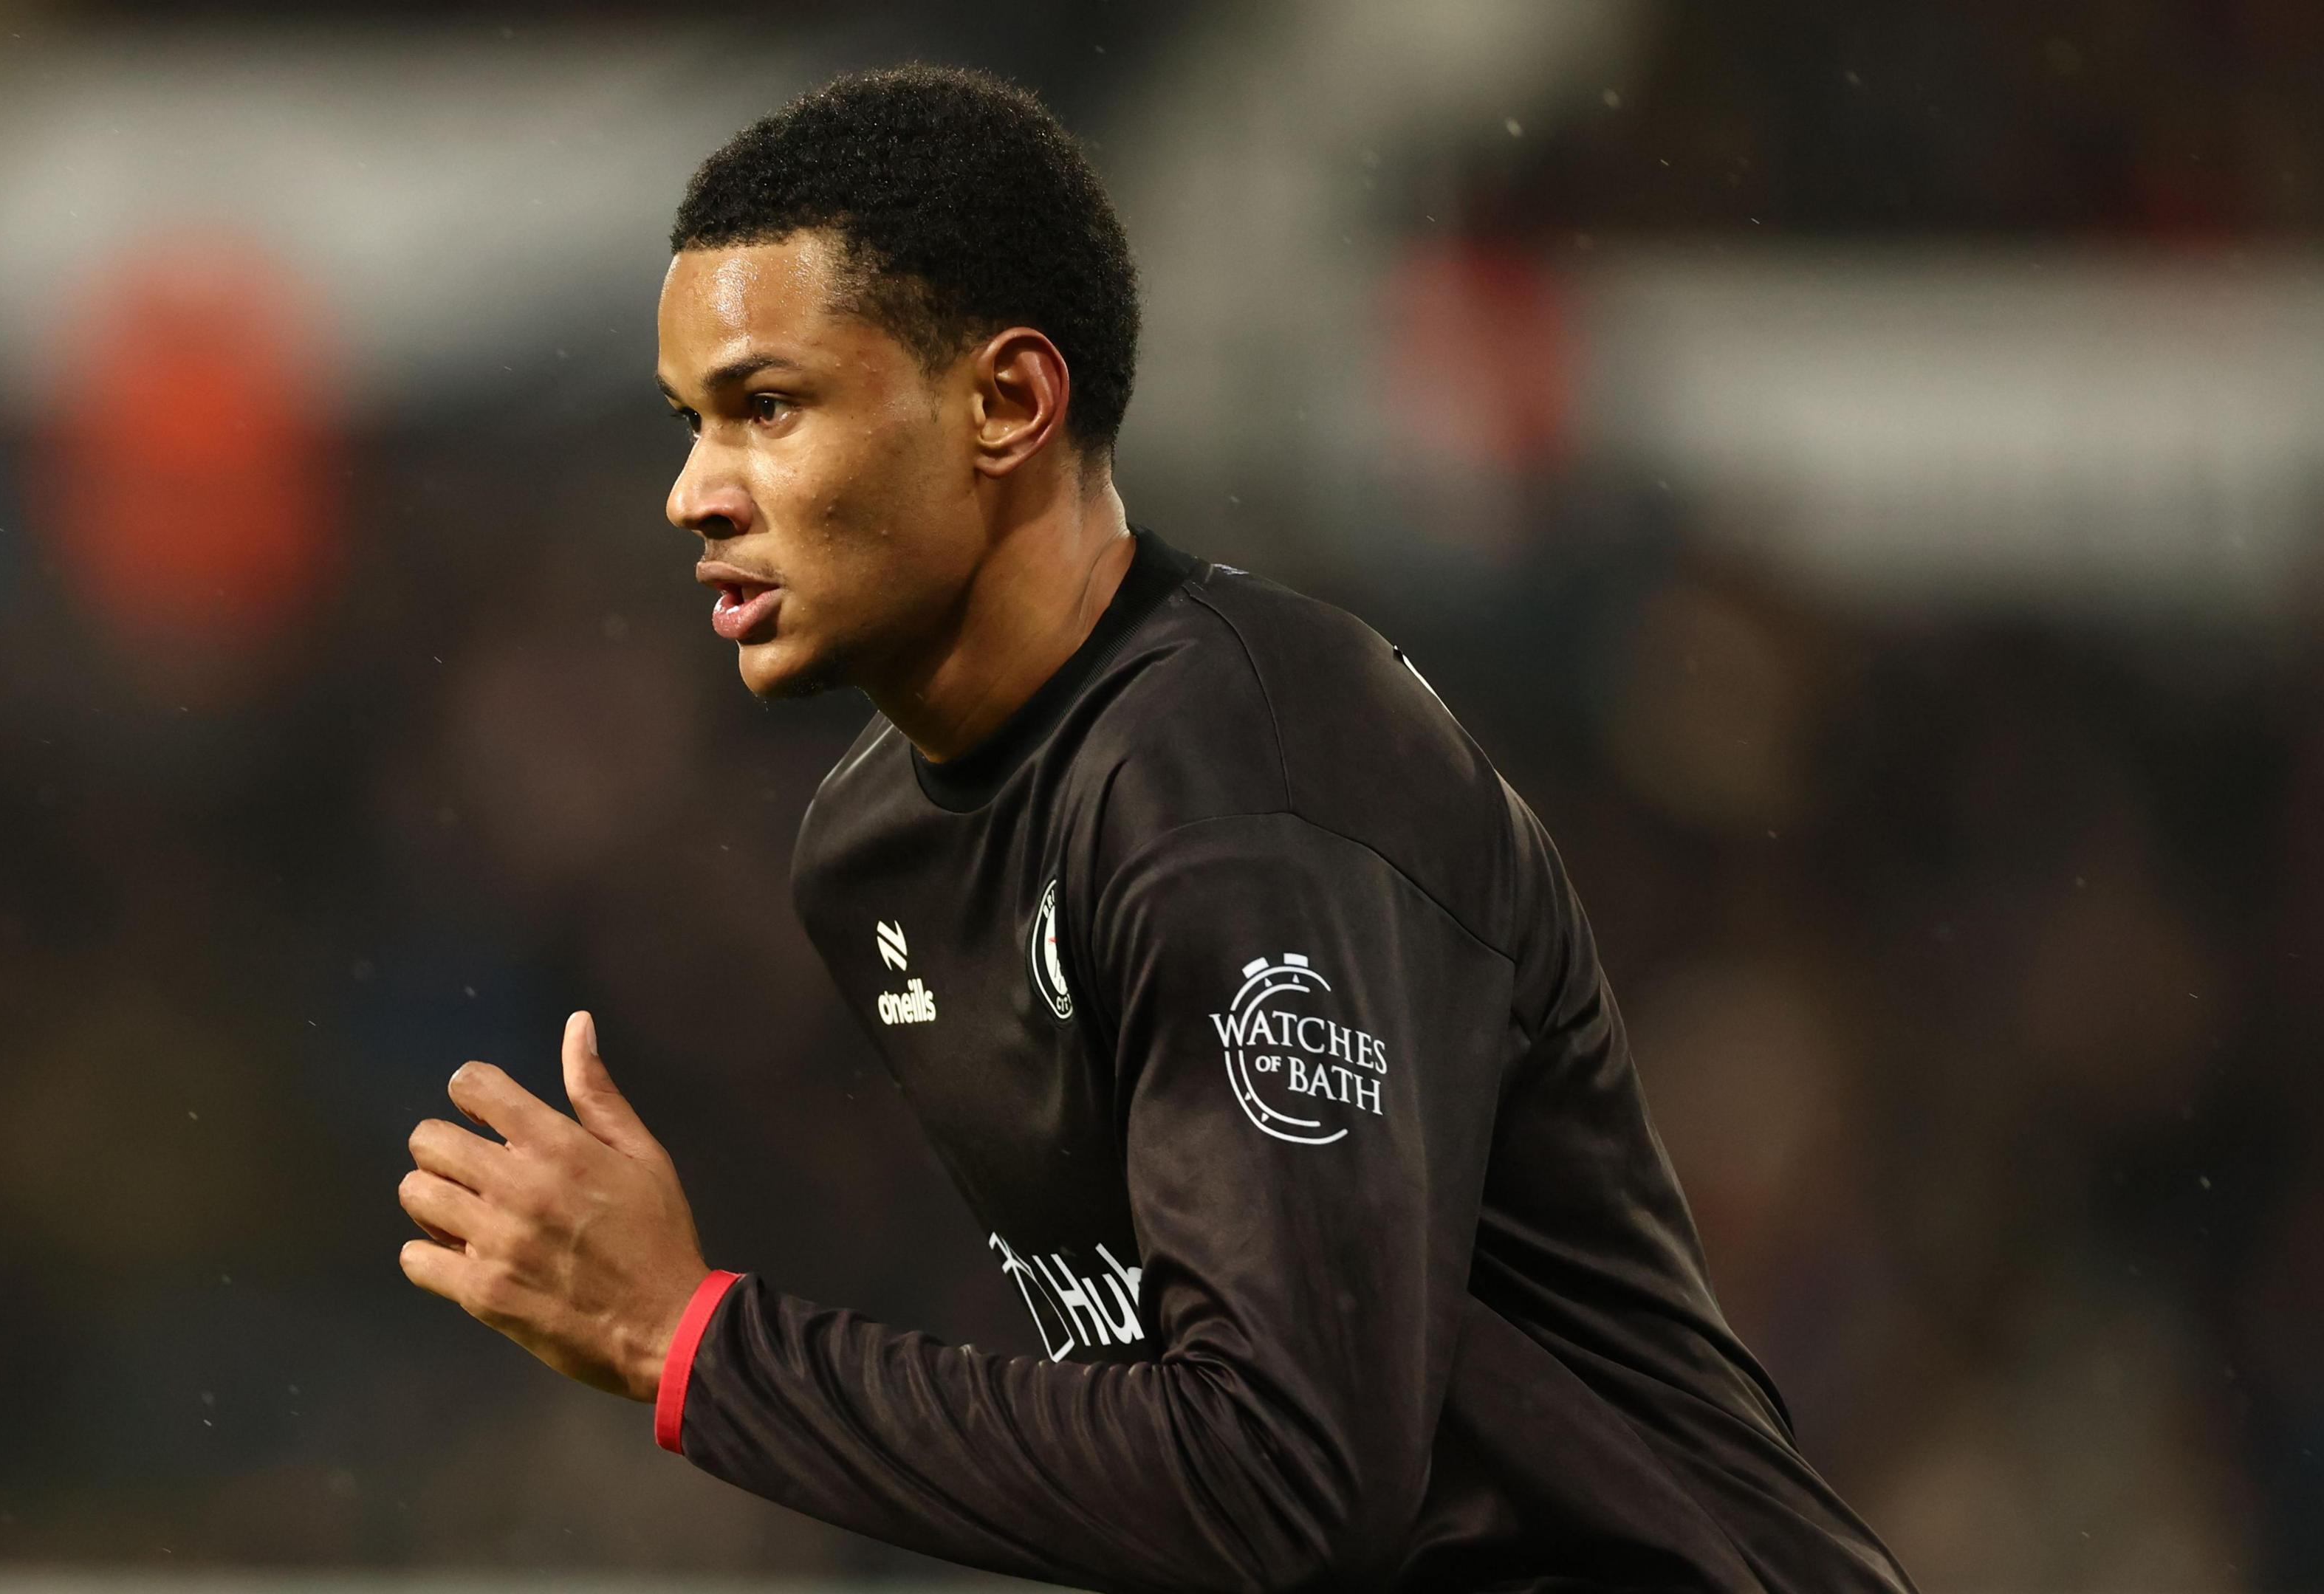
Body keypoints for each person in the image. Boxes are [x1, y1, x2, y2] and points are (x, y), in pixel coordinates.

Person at [396, 65, 1913, 1591]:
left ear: (1008, 403)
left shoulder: (1243, 781)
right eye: (689, 423)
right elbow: (1156, 1446)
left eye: (769, 408)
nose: (694, 494)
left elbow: (1281, 1484)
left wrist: (695, 1346)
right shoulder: (871, 854)